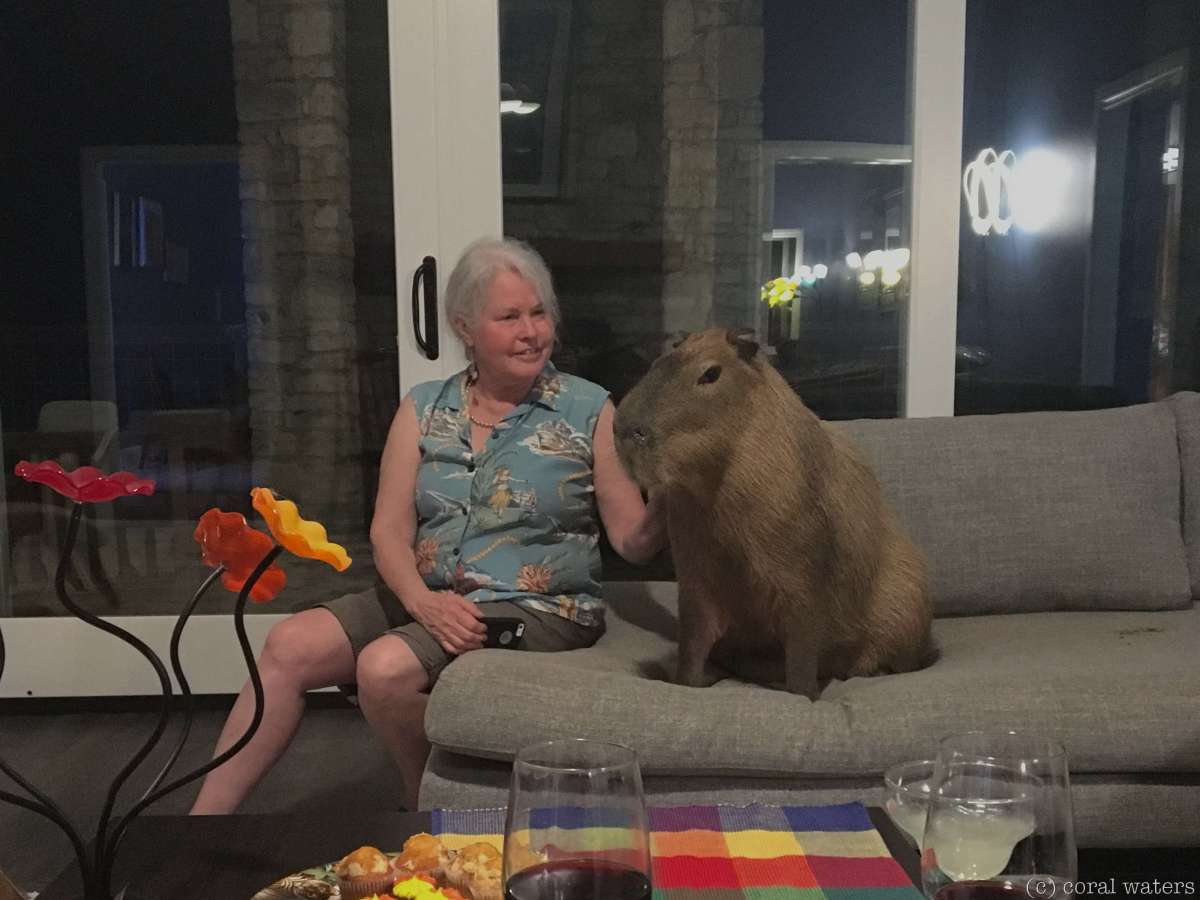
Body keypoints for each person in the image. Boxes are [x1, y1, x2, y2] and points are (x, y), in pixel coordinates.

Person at [190, 237, 666, 813]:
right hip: (428, 591)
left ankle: (422, 803)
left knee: (384, 668)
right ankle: (200, 825)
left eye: (539, 313)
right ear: (466, 327)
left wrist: (673, 499)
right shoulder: (424, 406)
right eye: (509, 317)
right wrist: (422, 603)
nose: (531, 332)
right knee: (288, 645)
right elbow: (388, 532)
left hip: (536, 607)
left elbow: (631, 540)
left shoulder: (589, 409)